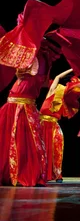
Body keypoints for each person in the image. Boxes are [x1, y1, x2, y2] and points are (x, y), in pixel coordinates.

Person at [0, 42, 60, 187]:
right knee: (16, 139)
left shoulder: (38, 58)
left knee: (22, 140)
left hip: (23, 104)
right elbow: (23, 72)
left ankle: (21, 173)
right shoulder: (37, 57)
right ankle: (13, 173)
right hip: (17, 102)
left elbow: (27, 73)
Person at [39, 68, 73, 183]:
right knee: (41, 150)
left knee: (56, 150)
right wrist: (73, 69)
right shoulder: (52, 92)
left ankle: (56, 174)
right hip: (42, 125)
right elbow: (58, 76)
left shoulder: (64, 99)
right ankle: (40, 173)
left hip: (54, 126)